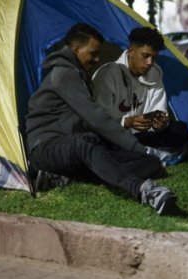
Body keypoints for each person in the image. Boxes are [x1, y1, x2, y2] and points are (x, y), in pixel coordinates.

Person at [25, 23, 178, 215]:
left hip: (72, 149)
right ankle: (144, 191)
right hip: (46, 148)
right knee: (87, 142)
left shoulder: (78, 73)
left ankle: (62, 176)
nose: (97, 59)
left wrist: (144, 153)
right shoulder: (64, 74)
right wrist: (139, 147)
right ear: (76, 49)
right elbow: (96, 119)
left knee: (150, 163)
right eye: (93, 53)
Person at [92, 26, 188, 151]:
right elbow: (99, 120)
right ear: (131, 51)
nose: (149, 62)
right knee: (101, 140)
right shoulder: (108, 74)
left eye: (153, 57)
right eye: (145, 55)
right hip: (114, 134)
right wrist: (127, 122)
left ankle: (137, 150)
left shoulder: (154, 74)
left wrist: (159, 124)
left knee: (179, 130)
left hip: (142, 135)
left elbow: (159, 110)